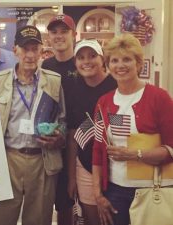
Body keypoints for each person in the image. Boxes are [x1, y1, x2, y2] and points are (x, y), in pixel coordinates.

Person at [92, 33, 173, 225]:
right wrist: (97, 194)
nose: (120, 66)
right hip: (115, 191)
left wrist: (135, 155)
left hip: (153, 191)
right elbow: (98, 150)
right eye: (114, 60)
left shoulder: (159, 98)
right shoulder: (104, 102)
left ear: (138, 63)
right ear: (108, 66)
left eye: (127, 59)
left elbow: (171, 148)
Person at [0, 25, 66, 225]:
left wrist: (60, 136)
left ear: (42, 51)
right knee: (1, 218)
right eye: (25, 49)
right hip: (8, 160)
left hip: (42, 160)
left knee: (39, 219)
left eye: (35, 49)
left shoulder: (54, 82)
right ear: (15, 50)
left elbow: (63, 121)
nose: (30, 55)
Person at [66, 39, 117, 225]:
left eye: (92, 56)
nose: (86, 61)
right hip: (85, 165)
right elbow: (72, 137)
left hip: (115, 166)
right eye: (81, 57)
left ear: (102, 59)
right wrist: (72, 177)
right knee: (92, 219)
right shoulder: (74, 90)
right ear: (76, 63)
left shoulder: (116, 84)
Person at [41, 14, 76, 225]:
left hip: (80, 142)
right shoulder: (45, 65)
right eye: (54, 32)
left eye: (64, 31)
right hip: (52, 142)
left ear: (74, 35)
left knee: (73, 201)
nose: (59, 36)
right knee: (55, 201)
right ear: (49, 37)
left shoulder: (83, 61)